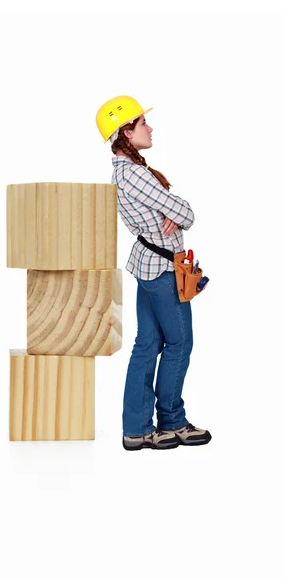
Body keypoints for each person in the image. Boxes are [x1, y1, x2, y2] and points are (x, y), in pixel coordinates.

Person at [96, 95, 212, 451]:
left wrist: (173, 211)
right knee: (178, 343)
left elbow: (176, 212)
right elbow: (187, 213)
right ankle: (172, 422)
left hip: (150, 266)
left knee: (147, 344)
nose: (150, 127)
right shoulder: (134, 175)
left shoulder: (128, 172)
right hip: (162, 268)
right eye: (143, 123)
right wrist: (177, 212)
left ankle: (138, 428)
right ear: (127, 133)